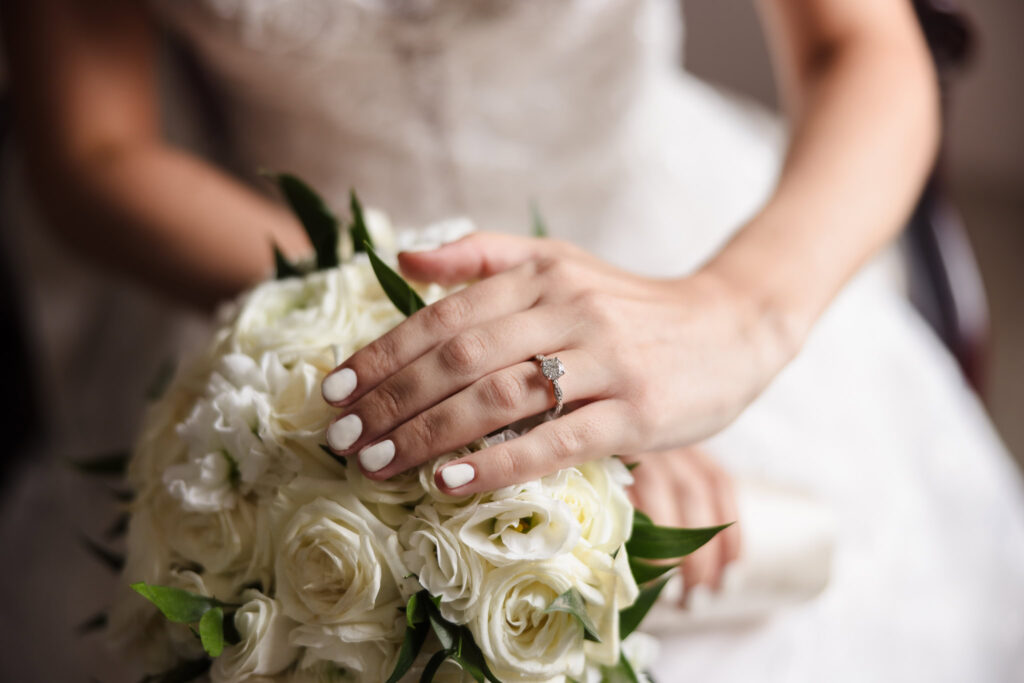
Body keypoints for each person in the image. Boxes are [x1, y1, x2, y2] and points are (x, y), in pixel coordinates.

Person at [1, 0, 1023, 681]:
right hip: (273, 258)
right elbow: (96, 148)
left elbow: (861, 44)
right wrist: (391, 319)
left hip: (661, 239)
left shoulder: (719, 299)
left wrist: (729, 316)